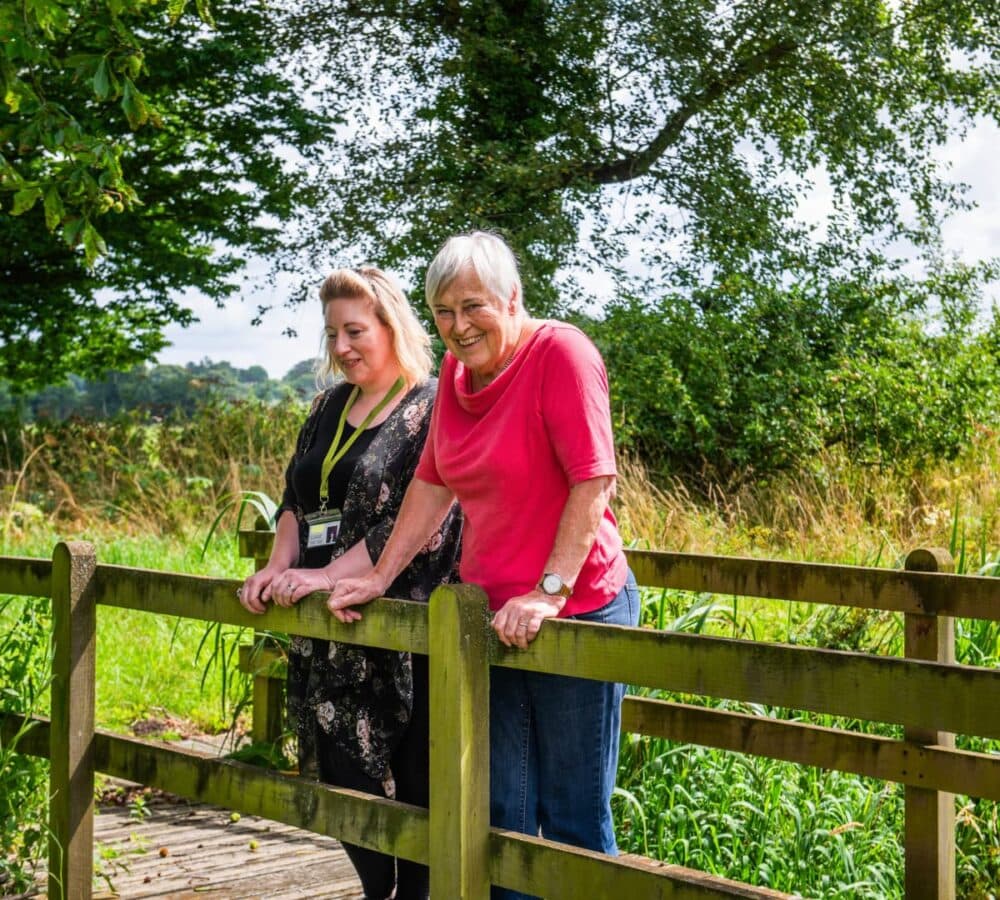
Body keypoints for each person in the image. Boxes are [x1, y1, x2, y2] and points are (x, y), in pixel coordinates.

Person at [328, 232, 640, 900]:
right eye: (443, 311)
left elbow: (594, 482)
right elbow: (433, 484)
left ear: (512, 299)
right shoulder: (455, 376)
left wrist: (548, 592)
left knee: (573, 818)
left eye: (474, 307)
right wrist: (380, 577)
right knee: (501, 816)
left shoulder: (562, 353)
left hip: (575, 607)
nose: (459, 325)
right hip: (491, 616)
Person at [237, 266, 461, 900]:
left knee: (416, 783)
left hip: (399, 620)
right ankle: (376, 889)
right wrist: (280, 569)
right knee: (341, 772)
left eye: (355, 331)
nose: (341, 348)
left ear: (392, 326)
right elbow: (294, 501)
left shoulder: (432, 404)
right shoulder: (326, 405)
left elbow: (412, 519)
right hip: (325, 618)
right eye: (332, 333)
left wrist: (325, 575)